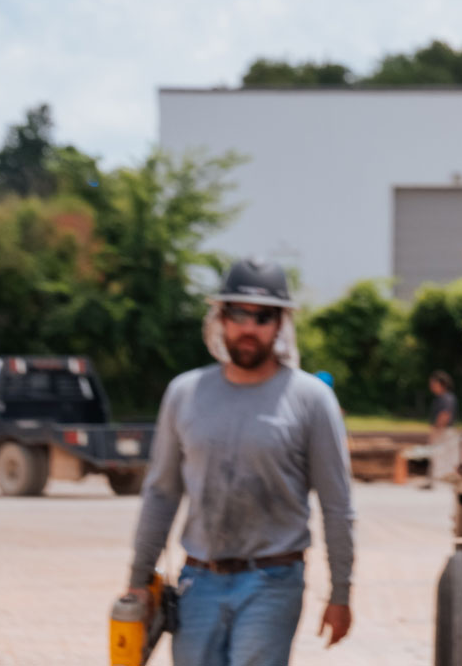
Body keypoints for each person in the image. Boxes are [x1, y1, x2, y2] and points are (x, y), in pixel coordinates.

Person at [124, 259, 356, 663]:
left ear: (281, 323)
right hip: (197, 583)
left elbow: (337, 506)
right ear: (220, 318)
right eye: (238, 313)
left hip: (272, 582)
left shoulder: (310, 400)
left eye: (262, 316)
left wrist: (340, 593)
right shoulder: (185, 394)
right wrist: (138, 579)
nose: (249, 327)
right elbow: (161, 493)